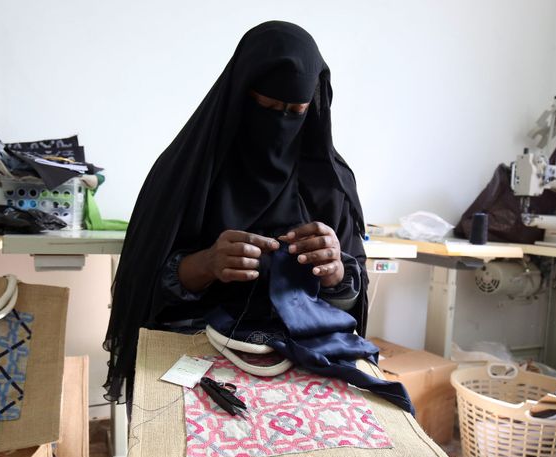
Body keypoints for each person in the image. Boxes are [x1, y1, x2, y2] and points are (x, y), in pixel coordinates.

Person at [103, 21, 369, 404]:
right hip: (199, 354)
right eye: (267, 107)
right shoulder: (187, 174)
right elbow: (140, 287)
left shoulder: (328, 183)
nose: (281, 123)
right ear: (240, 95)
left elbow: (350, 302)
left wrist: (337, 272)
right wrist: (204, 265)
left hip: (303, 361)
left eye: (296, 111)